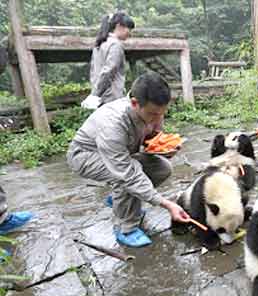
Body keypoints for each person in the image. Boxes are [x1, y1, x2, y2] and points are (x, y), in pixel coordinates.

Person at [67, 72, 191, 247]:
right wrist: (166, 204)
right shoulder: (113, 124)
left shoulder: (152, 111)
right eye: (153, 114)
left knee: (162, 168)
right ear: (134, 103)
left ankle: (119, 200)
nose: (158, 119)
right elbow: (126, 173)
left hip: (120, 155)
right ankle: (125, 227)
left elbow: (152, 139)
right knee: (127, 176)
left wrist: (166, 148)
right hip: (85, 156)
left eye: (162, 113)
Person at [82, 12, 135, 109]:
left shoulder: (100, 44)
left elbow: (94, 71)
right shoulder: (115, 45)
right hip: (112, 99)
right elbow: (109, 70)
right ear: (119, 26)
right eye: (129, 29)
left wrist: (94, 94)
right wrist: (95, 95)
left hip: (100, 98)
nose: (130, 33)